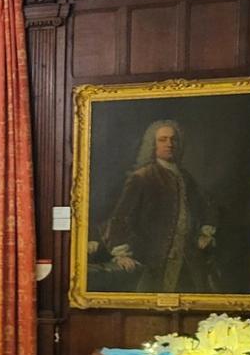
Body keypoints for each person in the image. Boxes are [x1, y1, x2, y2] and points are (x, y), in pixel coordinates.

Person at [92, 119, 219, 294]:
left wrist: (205, 233)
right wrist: (121, 253)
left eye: (173, 140)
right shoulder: (142, 177)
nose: (169, 144)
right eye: (163, 139)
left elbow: (205, 206)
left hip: (188, 258)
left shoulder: (185, 176)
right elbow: (121, 217)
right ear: (153, 144)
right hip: (154, 258)